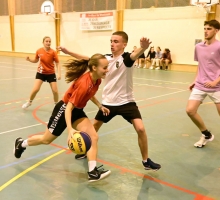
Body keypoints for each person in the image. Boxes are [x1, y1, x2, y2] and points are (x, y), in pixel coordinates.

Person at [58, 31, 161, 171]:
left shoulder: (126, 59)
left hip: (127, 102)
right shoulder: (105, 59)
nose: (112, 44)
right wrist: (67, 51)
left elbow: (134, 55)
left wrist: (143, 48)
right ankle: (84, 149)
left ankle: (146, 161)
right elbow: (87, 59)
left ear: (124, 44)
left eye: (116, 41)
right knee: (92, 129)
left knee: (141, 129)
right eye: (111, 41)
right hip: (108, 103)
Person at [14, 54, 111, 182]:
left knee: (93, 136)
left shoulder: (96, 80)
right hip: (64, 109)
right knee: (46, 139)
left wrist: (100, 106)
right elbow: (69, 107)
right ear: (94, 67)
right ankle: (22, 143)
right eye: (104, 67)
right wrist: (70, 129)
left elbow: (90, 94)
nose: (107, 70)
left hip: (77, 111)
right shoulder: (84, 83)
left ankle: (92, 172)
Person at [186, 19, 220, 156]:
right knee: (190, 110)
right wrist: (195, 80)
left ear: (216, 31)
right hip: (200, 84)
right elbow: (200, 65)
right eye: (204, 28)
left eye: (209, 29)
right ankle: (206, 134)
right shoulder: (198, 47)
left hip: (217, 86)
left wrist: (216, 81)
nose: (206, 31)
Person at [22, 36, 61, 109]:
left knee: (55, 91)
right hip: (41, 73)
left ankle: (56, 105)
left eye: (49, 41)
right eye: (46, 41)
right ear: (43, 42)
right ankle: (29, 102)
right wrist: (29, 59)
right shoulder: (39, 51)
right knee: (35, 89)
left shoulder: (53, 52)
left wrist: (59, 73)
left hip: (51, 73)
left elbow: (57, 63)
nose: (48, 43)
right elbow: (36, 60)